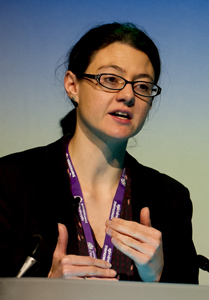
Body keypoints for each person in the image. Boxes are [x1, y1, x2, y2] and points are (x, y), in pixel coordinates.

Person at [0, 22, 198, 284]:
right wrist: (45, 287)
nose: (128, 95)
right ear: (73, 85)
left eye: (142, 86)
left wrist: (159, 276)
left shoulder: (170, 199)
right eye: (111, 80)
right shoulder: (11, 181)